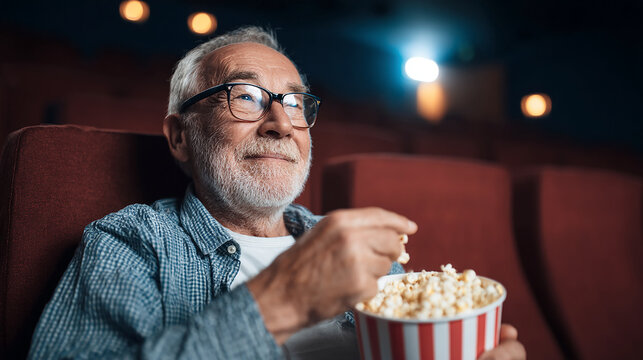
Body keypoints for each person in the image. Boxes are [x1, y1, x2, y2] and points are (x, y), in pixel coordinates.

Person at [28, 26, 525, 359]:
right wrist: (279, 302)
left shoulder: (356, 249)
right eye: (245, 97)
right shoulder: (132, 243)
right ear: (181, 136)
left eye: (293, 102)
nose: (282, 123)